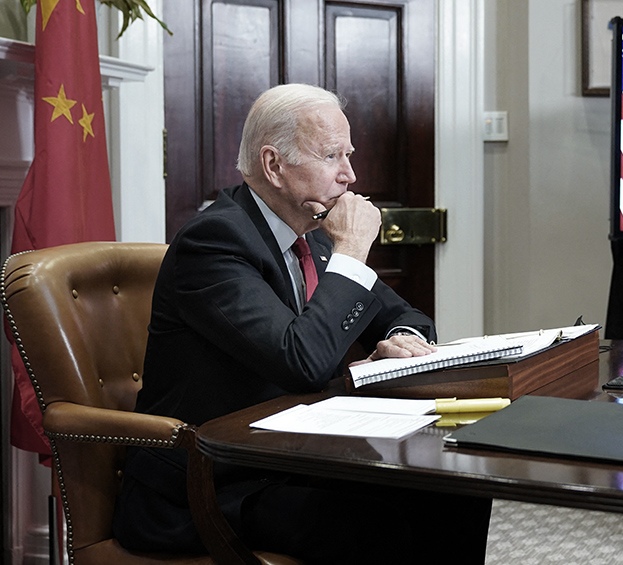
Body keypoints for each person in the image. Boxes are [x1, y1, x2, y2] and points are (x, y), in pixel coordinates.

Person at [112, 83, 492, 563]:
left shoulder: (312, 233)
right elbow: (301, 362)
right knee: (374, 525)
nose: (349, 175)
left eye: (348, 155)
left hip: (292, 457)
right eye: (331, 155)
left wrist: (402, 339)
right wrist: (354, 251)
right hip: (210, 482)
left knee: (455, 490)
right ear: (274, 165)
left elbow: (407, 316)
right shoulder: (214, 242)